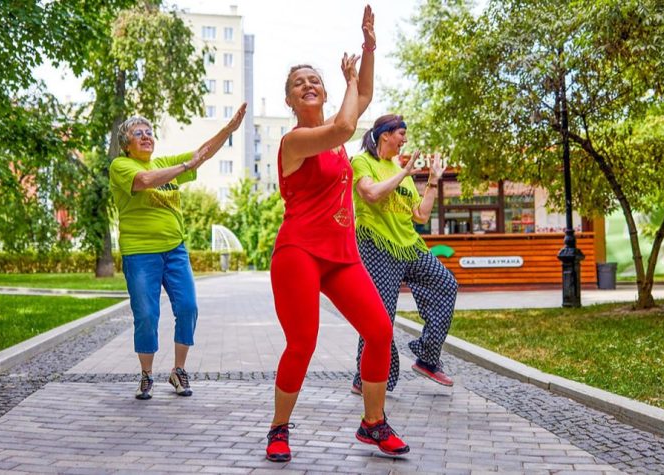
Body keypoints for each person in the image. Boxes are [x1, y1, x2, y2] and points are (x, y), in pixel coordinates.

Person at [264, 5, 409, 463]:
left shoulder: (335, 134)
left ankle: (373, 422)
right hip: (298, 252)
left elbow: (362, 96)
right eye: (297, 83)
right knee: (303, 342)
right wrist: (347, 83)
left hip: (340, 253)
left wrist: (368, 46)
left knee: (380, 329)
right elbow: (347, 120)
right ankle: (278, 428)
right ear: (290, 101)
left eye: (314, 80)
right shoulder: (295, 142)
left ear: (323, 92)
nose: (308, 84)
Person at [109, 104, 246, 400]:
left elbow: (202, 154)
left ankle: (178, 370)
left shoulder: (165, 163)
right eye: (138, 134)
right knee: (146, 314)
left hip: (175, 251)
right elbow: (144, 181)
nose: (146, 136)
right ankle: (146, 375)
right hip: (140, 253)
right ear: (126, 145)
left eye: (149, 132)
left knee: (187, 308)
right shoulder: (121, 166)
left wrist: (228, 131)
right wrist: (185, 167)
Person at [349, 115, 459, 395]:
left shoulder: (400, 169)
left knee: (446, 284)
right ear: (385, 135)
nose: (405, 140)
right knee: (380, 316)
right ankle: (365, 378)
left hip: (409, 247)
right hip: (378, 246)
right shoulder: (362, 162)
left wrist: (433, 180)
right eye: (401, 133)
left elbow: (420, 215)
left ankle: (427, 357)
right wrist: (403, 173)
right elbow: (370, 194)